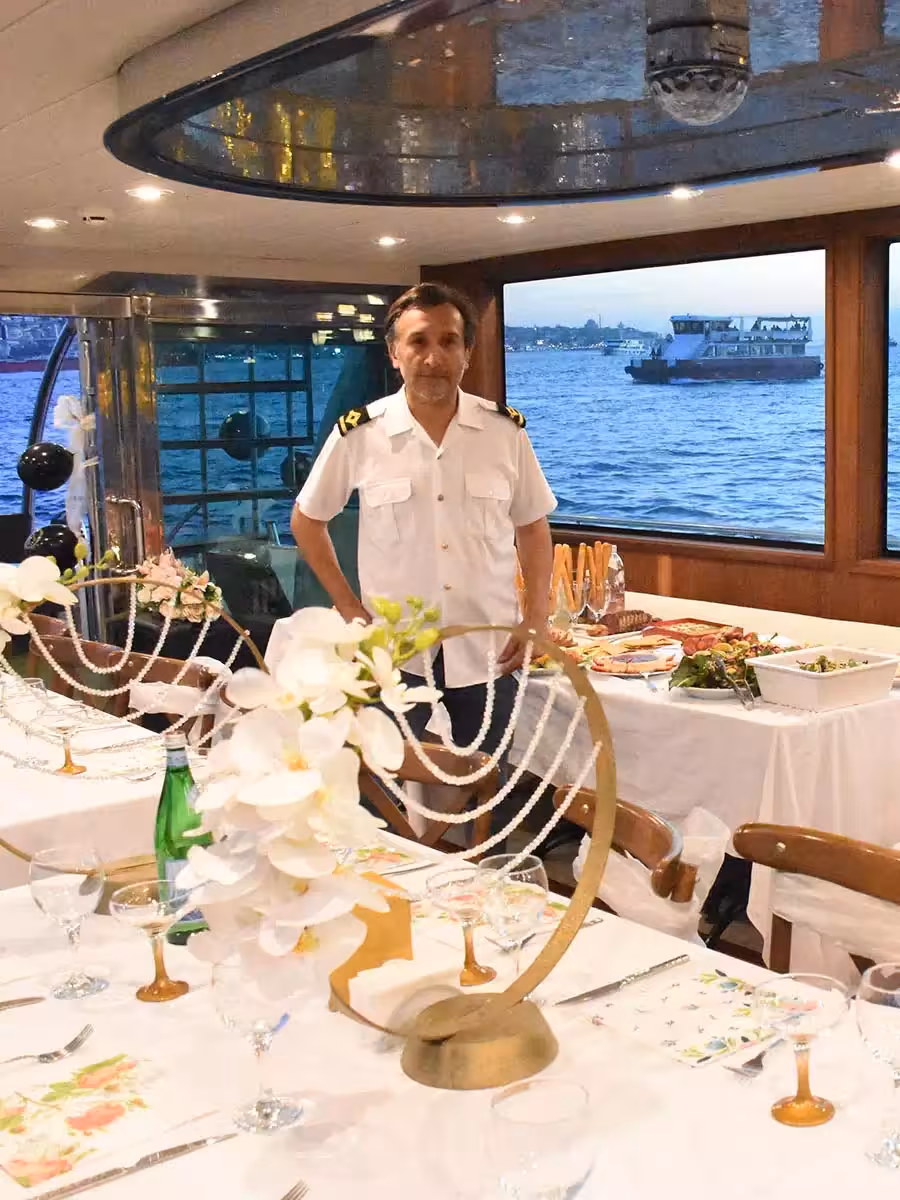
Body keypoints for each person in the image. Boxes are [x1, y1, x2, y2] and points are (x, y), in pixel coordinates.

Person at [290, 281, 556, 756]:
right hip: (396, 657)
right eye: (418, 342)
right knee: (394, 789)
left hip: (489, 650)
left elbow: (533, 526)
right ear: (394, 353)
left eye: (448, 342)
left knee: (490, 786)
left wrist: (535, 616)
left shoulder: (503, 432)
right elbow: (307, 521)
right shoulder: (361, 434)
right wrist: (351, 610)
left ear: (467, 353)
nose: (433, 357)